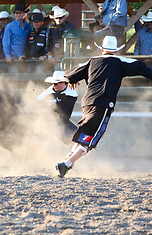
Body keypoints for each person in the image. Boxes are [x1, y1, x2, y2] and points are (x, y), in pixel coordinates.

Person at [56, 36, 152, 178]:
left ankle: (68, 159)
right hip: (103, 103)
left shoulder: (91, 61)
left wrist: (71, 80)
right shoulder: (120, 62)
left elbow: (69, 74)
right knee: (92, 137)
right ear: (115, 51)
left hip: (87, 102)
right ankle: (67, 164)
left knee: (86, 131)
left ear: (101, 49)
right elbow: (141, 68)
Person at [37, 71, 78, 144]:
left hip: (62, 124)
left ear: (63, 82)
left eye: (56, 83)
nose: (54, 86)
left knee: (78, 138)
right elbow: (37, 101)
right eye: (53, 84)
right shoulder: (50, 90)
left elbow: (61, 110)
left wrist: (46, 110)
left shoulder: (71, 94)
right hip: (47, 123)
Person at [2, 4, 32, 73]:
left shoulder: (28, 26)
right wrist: (7, 56)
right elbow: (6, 43)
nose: (18, 15)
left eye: (20, 13)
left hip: (25, 56)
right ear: (14, 14)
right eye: (16, 13)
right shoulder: (9, 27)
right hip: (13, 57)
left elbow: (29, 42)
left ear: (24, 14)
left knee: (24, 78)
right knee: (13, 78)